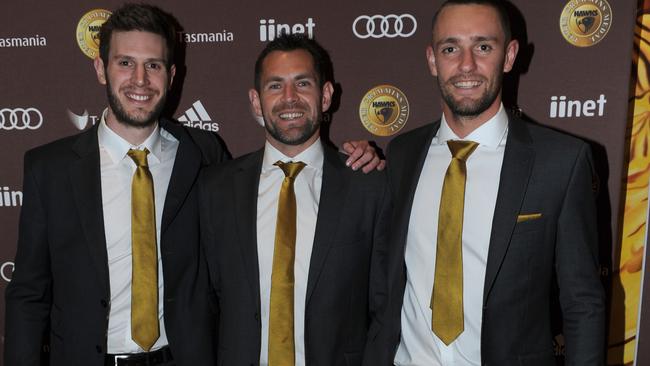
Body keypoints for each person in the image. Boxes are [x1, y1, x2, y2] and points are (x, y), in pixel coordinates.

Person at [4, 4, 381, 366]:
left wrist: (361, 156)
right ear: (101, 69)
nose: (140, 80)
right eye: (125, 63)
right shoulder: (50, 169)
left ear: (170, 75)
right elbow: (28, 294)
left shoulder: (201, 156)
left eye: (152, 65)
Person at [371, 1, 606, 365]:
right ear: (433, 59)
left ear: (509, 56)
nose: (466, 65)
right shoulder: (403, 153)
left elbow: (583, 303)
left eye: (483, 47)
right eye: (451, 48)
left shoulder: (561, 161)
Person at [199, 33, 391, 366]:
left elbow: (385, 308)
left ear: (326, 95)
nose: (290, 99)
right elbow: (203, 303)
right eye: (275, 86)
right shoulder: (215, 189)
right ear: (256, 101)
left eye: (302, 84)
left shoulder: (367, 187)